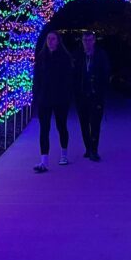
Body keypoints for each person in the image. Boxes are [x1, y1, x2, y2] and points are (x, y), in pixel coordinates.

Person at [32, 30, 75, 173]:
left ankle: (64, 155)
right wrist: (36, 96)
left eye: (53, 39)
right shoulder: (41, 57)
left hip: (60, 99)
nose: (50, 41)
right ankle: (44, 161)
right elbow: (37, 79)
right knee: (44, 129)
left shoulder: (64, 58)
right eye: (48, 38)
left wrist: (67, 96)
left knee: (61, 126)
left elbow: (69, 80)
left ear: (58, 41)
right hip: (44, 99)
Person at [75, 32, 110, 161]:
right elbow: (74, 74)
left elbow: (105, 73)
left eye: (89, 40)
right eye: (85, 40)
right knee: (84, 123)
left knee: (95, 123)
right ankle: (88, 148)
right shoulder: (78, 55)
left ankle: (94, 150)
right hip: (82, 96)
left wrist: (101, 90)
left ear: (94, 40)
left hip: (96, 96)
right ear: (82, 41)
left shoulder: (101, 55)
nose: (87, 42)